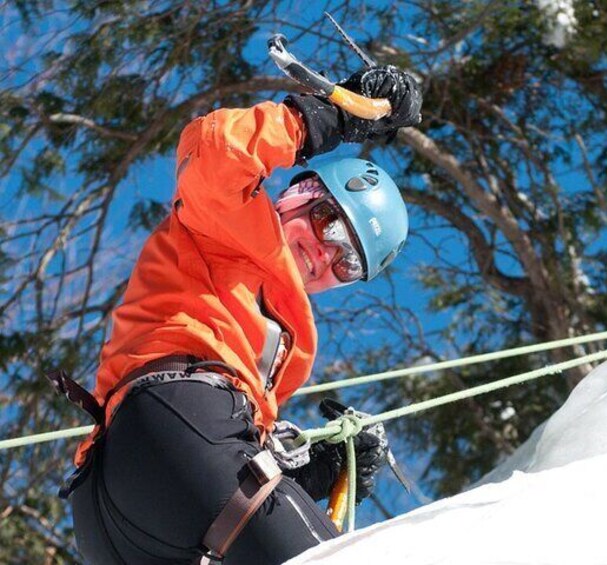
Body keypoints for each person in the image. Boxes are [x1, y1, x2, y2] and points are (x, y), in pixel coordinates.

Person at [59, 65, 423, 564]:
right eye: (328, 224)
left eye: (348, 262)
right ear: (299, 194)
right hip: (169, 418)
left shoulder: (284, 344)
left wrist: (317, 472)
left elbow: (223, 473)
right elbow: (216, 150)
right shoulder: (227, 218)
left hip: (115, 513)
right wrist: (326, 117)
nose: (325, 255)